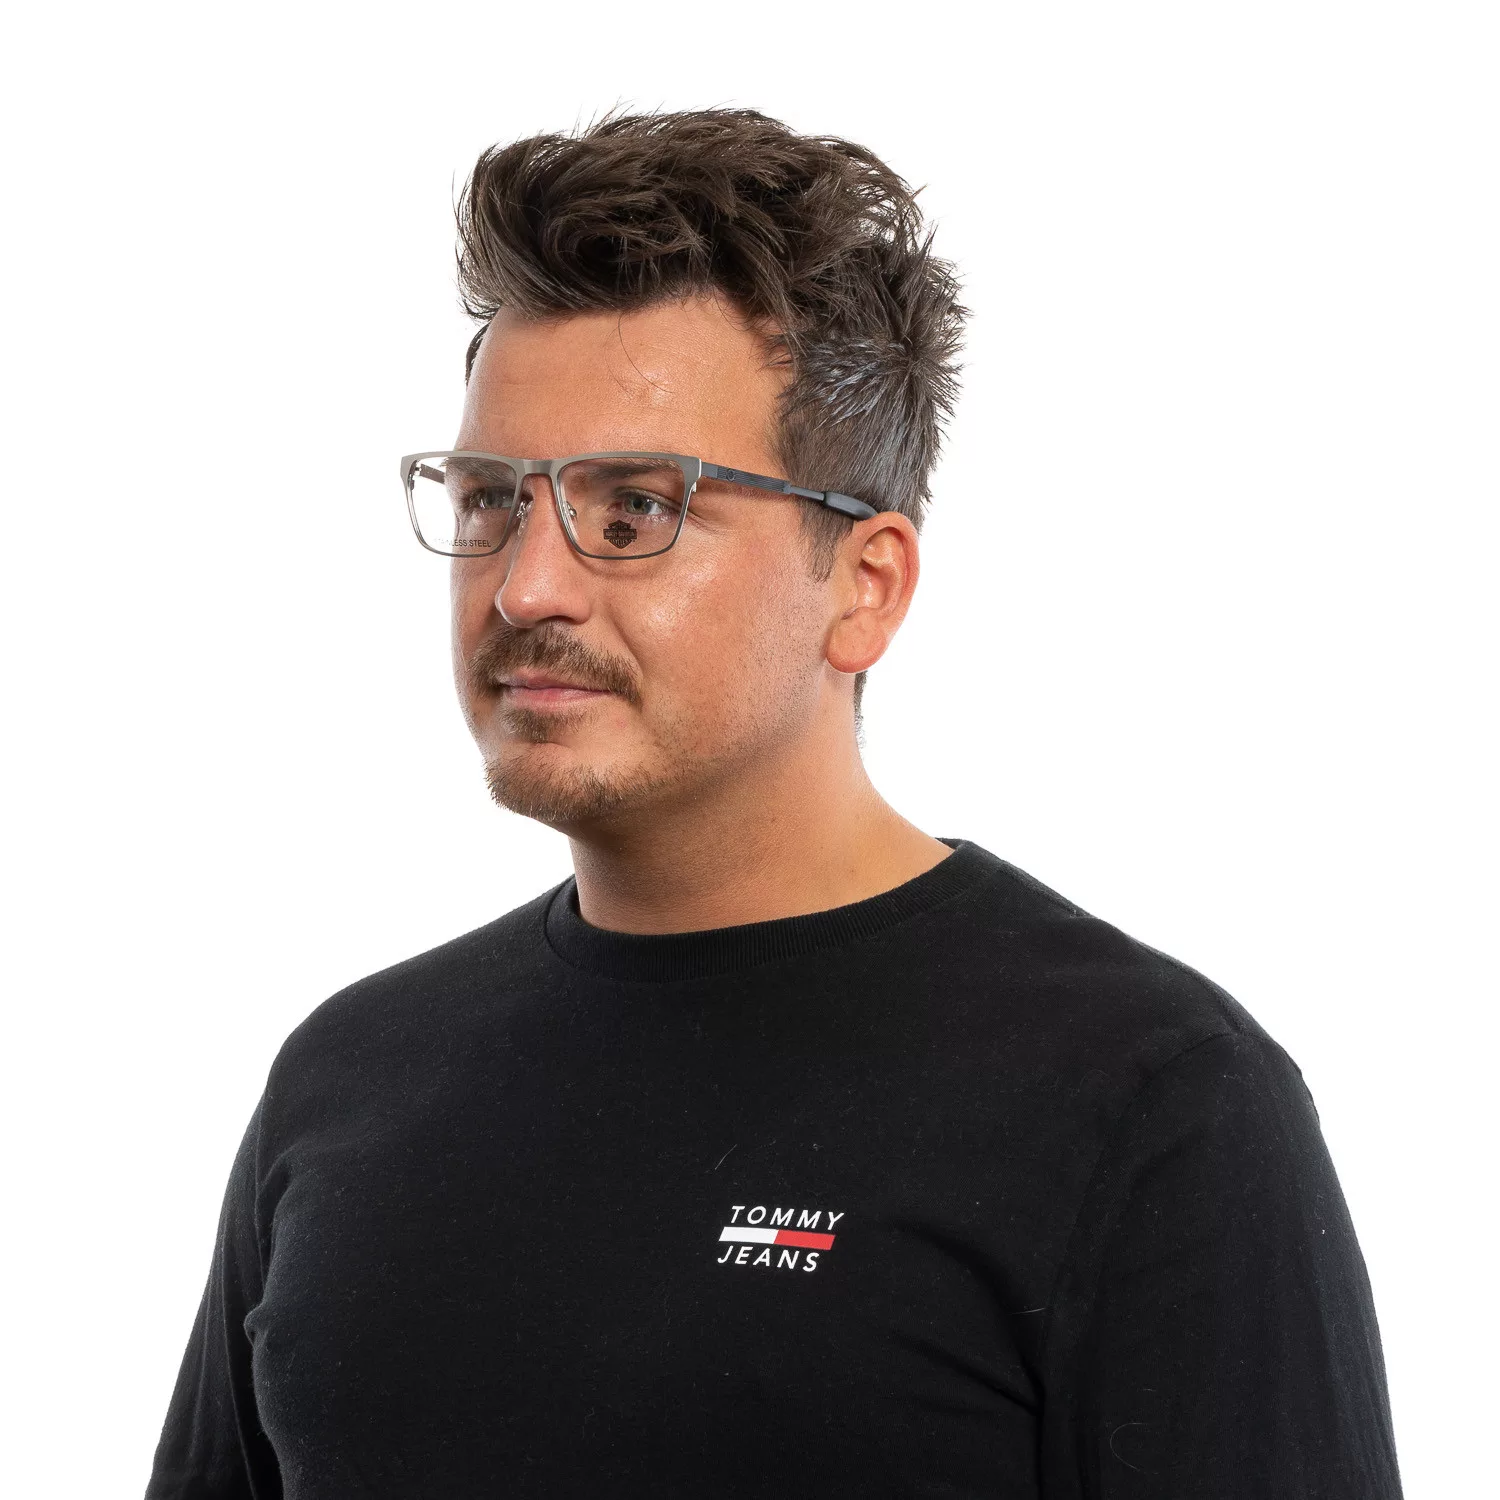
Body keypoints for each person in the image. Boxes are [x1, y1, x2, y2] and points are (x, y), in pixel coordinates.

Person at [146, 108, 1403, 1499]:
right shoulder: (349, 1078)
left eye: (636, 511)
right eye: (493, 501)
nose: (526, 588)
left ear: (865, 585)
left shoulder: (1153, 1104)